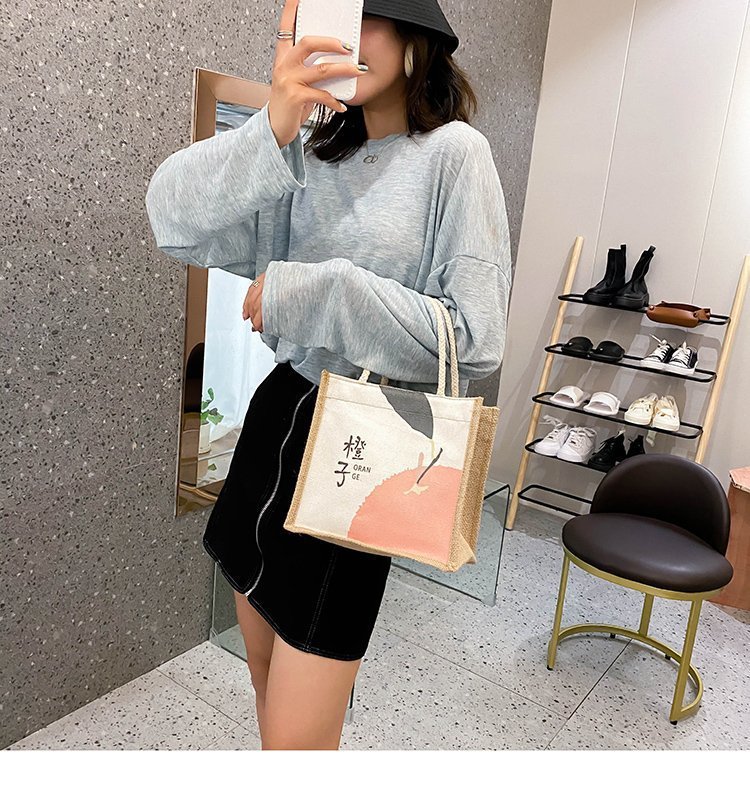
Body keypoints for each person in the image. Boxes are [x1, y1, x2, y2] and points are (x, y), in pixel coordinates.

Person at [145, 0, 512, 750]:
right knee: (261, 675)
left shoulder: (455, 154)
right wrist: (272, 125)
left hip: (361, 444)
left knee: (298, 734)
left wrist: (326, 290)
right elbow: (171, 220)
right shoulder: (308, 154)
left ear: (417, 39)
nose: (344, 39)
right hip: (278, 416)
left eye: (366, 17)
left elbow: (477, 341)